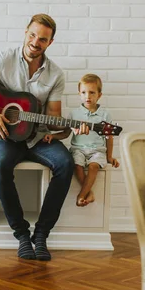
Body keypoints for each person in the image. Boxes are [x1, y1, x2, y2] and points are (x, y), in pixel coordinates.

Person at [0, 14, 87, 262]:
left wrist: (69, 129)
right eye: (32, 35)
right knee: (1, 165)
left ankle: (41, 234)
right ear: (25, 32)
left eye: (43, 39)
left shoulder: (56, 75)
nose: (36, 42)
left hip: (38, 138)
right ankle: (21, 234)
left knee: (65, 163)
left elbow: (54, 119)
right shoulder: (4, 59)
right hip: (5, 136)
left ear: (50, 43)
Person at [43, 74, 119, 207]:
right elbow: (66, 133)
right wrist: (53, 136)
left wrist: (109, 157)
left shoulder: (105, 115)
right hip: (78, 149)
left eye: (92, 92)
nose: (87, 96)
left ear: (99, 95)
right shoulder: (74, 114)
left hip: (98, 150)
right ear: (79, 94)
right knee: (76, 166)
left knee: (93, 166)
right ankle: (89, 193)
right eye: (84, 92)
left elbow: (109, 137)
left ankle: (81, 195)